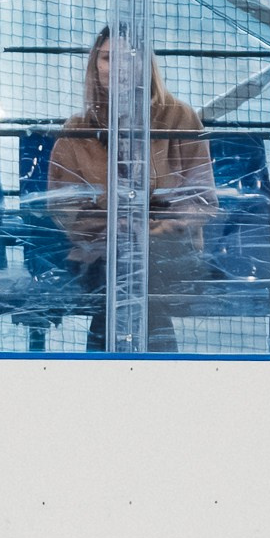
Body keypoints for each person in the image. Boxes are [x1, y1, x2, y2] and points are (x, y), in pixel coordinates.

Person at [46, 28, 218, 350]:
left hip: (170, 250)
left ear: (145, 67)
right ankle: (151, 374)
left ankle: (109, 374)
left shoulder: (180, 118)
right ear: (95, 65)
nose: (118, 68)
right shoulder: (77, 129)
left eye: (130, 59)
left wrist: (157, 228)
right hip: (100, 252)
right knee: (121, 267)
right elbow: (64, 206)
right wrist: (115, 228)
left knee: (141, 267)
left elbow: (201, 198)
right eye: (109, 58)